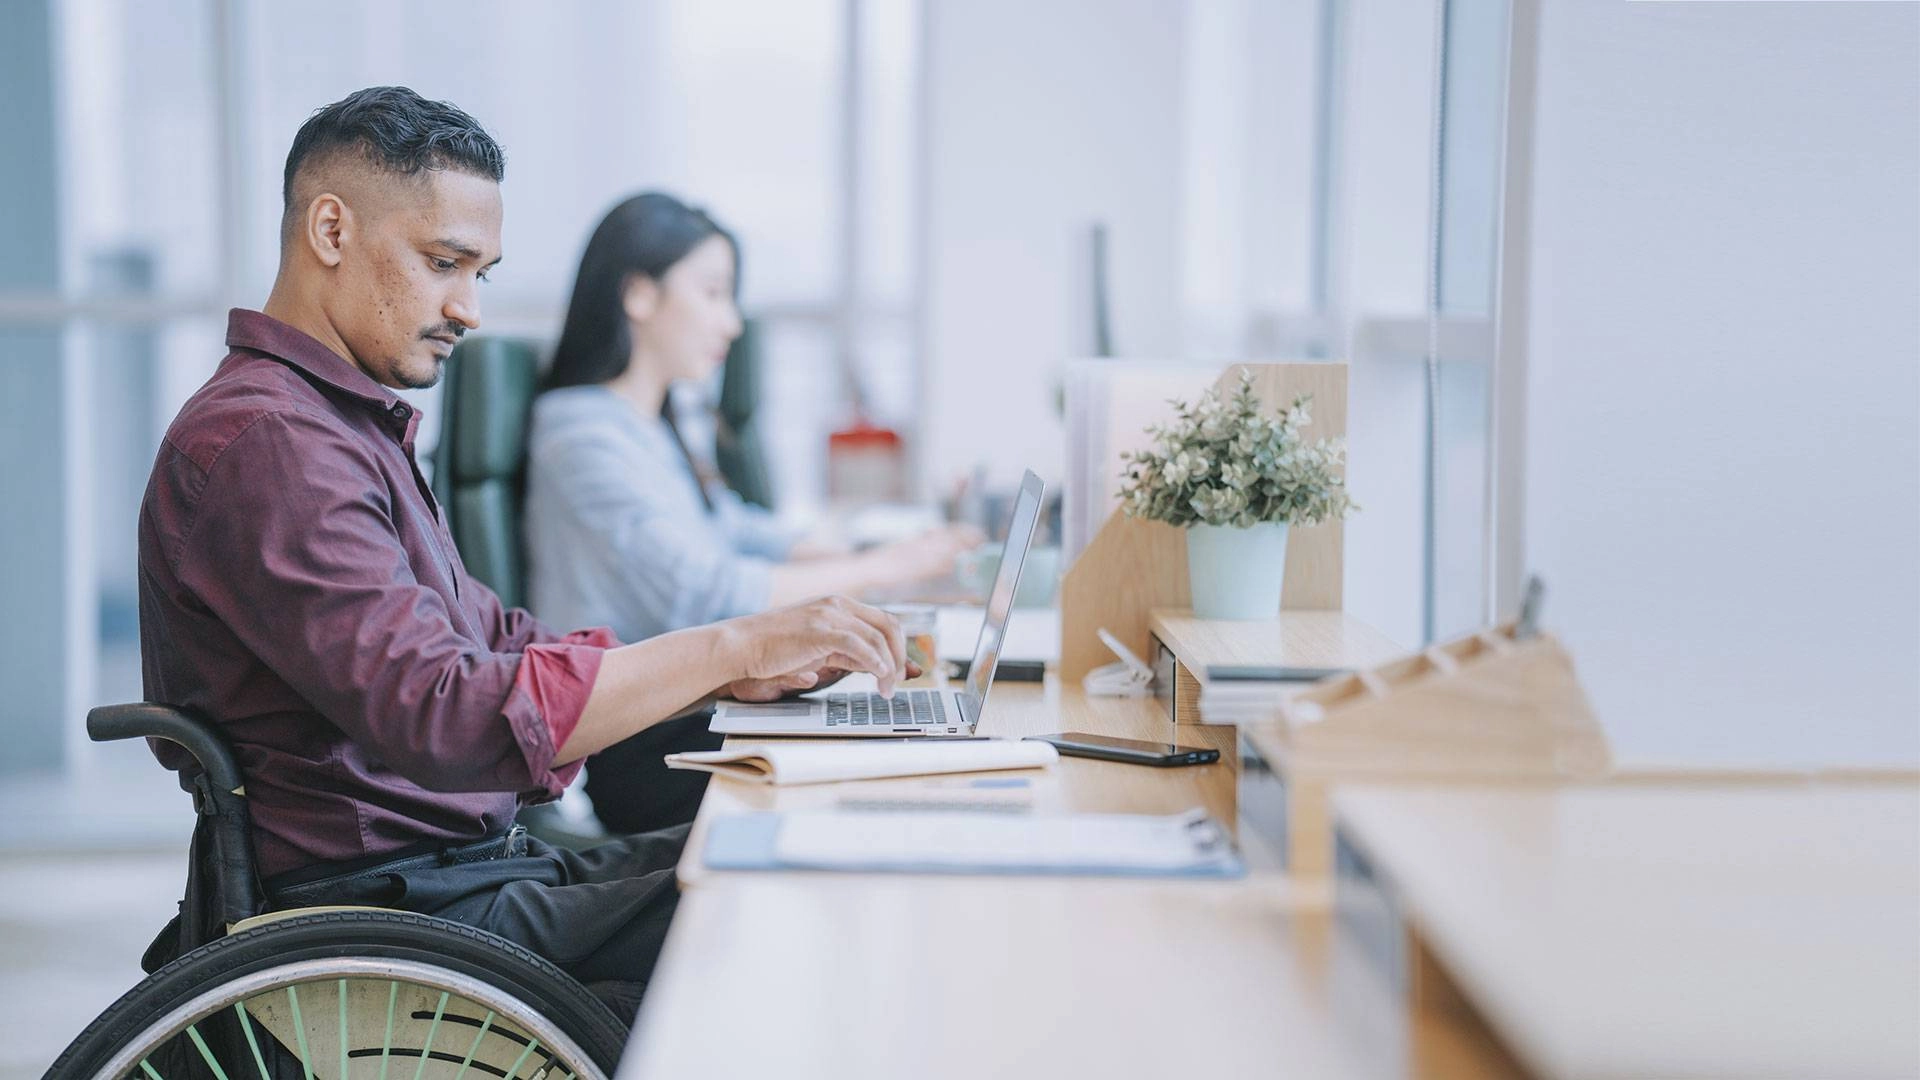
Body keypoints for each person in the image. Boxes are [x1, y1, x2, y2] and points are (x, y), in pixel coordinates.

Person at [137, 86, 908, 1018]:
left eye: (481, 274)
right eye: (442, 264)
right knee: (783, 899)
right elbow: (445, 712)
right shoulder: (272, 446)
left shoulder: (337, 427)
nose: (467, 309)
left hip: (459, 875)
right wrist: (731, 648)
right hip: (388, 915)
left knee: (786, 844)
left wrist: (723, 678)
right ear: (330, 231)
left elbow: (487, 633)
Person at [524, 192, 978, 832]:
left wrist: (865, 561)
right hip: (645, 741)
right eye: (713, 293)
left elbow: (730, 526)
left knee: (907, 746)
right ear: (639, 296)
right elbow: (706, 590)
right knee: (882, 780)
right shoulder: (582, 435)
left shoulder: (657, 420)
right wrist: (883, 565)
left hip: (698, 703)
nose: (731, 323)